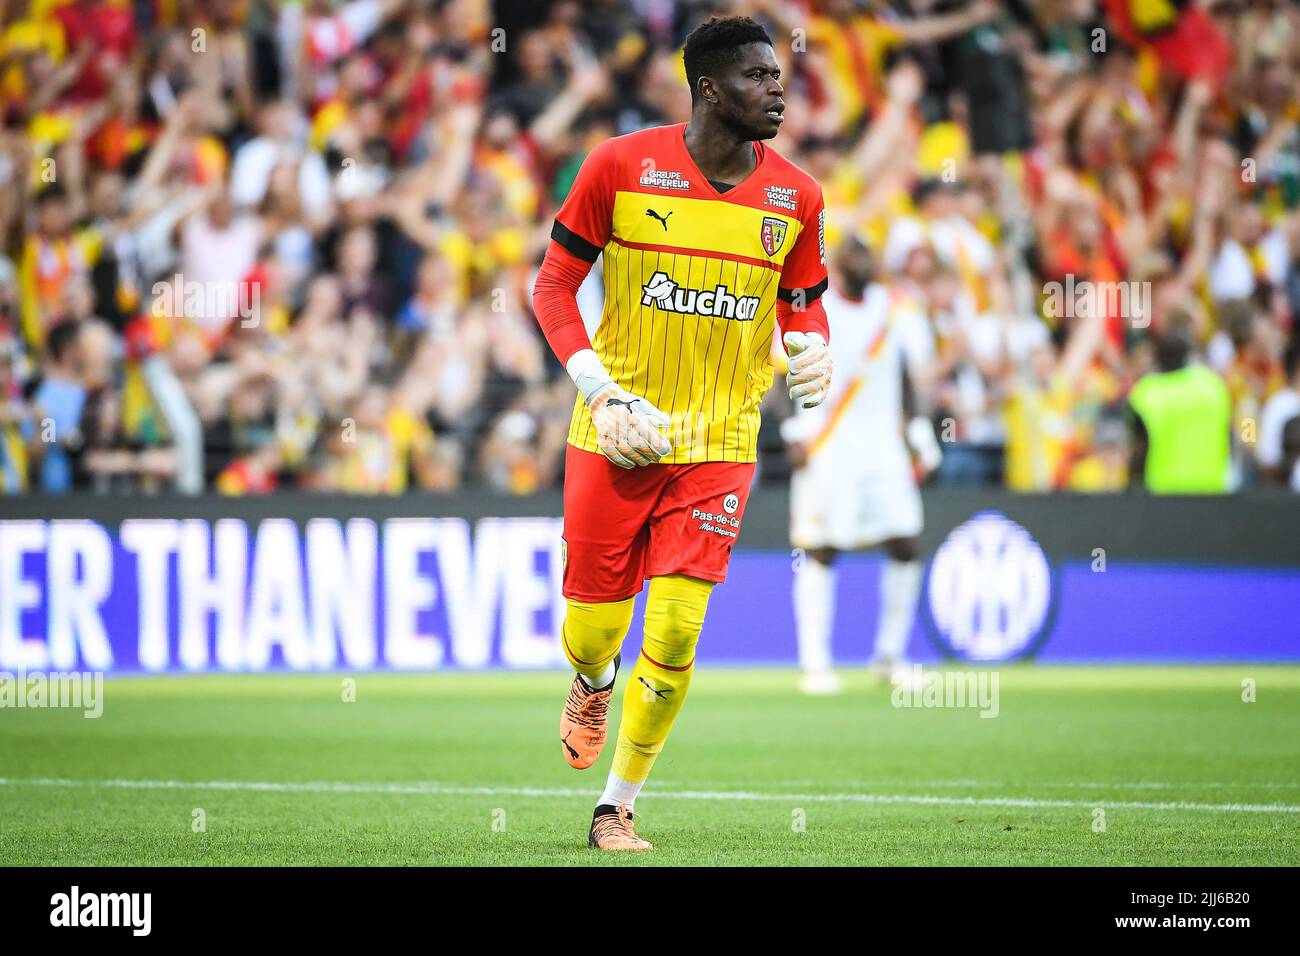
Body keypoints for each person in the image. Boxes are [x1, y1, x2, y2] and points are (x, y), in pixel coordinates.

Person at [530, 16, 832, 851]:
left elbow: (803, 307)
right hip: (616, 430)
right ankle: (591, 680)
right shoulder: (621, 165)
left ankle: (616, 806)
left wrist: (814, 354)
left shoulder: (797, 196)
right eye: (760, 77)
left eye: (780, 75)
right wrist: (597, 386)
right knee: (594, 628)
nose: (780, 89)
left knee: (674, 628)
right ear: (708, 88)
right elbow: (552, 287)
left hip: (722, 441)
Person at [782, 237, 940, 694]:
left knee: (906, 542)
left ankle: (889, 657)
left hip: (883, 446)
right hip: (828, 447)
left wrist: (917, 434)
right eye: (855, 255)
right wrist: (793, 433)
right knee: (822, 549)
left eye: (867, 254)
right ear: (835, 264)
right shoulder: (813, 307)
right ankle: (815, 664)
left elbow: (906, 376)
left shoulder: (895, 308)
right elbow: (780, 374)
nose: (864, 262)